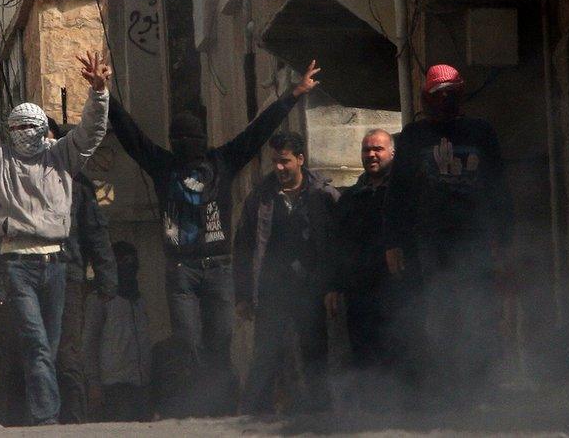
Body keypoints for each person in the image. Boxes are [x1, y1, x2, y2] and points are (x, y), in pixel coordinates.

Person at [108, 60, 322, 415]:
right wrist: (106, 96)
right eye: (178, 139)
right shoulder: (163, 165)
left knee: (220, 341)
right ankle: (200, 406)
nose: (184, 144)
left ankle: (223, 407)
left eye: (189, 137)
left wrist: (293, 95)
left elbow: (258, 131)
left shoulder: (223, 161)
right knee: (188, 342)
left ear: (202, 138)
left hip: (219, 267)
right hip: (181, 270)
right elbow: (132, 138)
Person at [0, 47, 111, 425]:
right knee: (36, 343)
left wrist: (100, 93)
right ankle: (46, 420)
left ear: (44, 129)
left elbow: (91, 131)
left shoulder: (62, 157)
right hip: (16, 263)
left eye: (31, 126)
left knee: (50, 348)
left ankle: (45, 413)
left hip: (57, 263)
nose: (24, 133)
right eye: (17, 127)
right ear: (9, 131)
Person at [383, 64, 514, 407]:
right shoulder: (413, 137)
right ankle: (444, 389)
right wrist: (394, 243)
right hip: (430, 241)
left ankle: (481, 386)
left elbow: (498, 188)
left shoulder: (480, 132)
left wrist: (504, 242)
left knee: (480, 312)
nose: (444, 101)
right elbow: (398, 193)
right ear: (427, 97)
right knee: (439, 313)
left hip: (475, 239)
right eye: (438, 95)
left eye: (450, 94)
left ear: (460, 94)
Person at [234, 132, 340, 414]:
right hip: (273, 291)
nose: (279, 168)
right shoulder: (260, 198)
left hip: (310, 289)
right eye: (276, 162)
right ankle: (256, 417)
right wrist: (243, 295)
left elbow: (334, 245)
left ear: (300, 160)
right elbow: (243, 248)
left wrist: (332, 287)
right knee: (266, 355)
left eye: (285, 161)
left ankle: (320, 416)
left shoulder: (323, 195)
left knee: (315, 352)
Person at [333, 129, 420, 409]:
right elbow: (336, 245)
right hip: (360, 293)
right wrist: (334, 285)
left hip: (398, 289)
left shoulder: (406, 195)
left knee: (401, 350)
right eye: (366, 149)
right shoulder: (350, 198)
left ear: (392, 153)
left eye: (378, 149)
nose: (371, 154)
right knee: (364, 356)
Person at [47, 118, 119, 424]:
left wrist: (107, 280)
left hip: (69, 275)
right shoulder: (20, 179)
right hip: (32, 276)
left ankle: (73, 422)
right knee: (38, 353)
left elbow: (95, 234)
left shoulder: (77, 184)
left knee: (67, 355)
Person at [83, 241, 152, 422]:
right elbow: (88, 344)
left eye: (132, 261)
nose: (128, 266)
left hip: (143, 386)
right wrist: (94, 385)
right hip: (114, 387)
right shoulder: (99, 299)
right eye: (123, 261)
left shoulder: (139, 299)